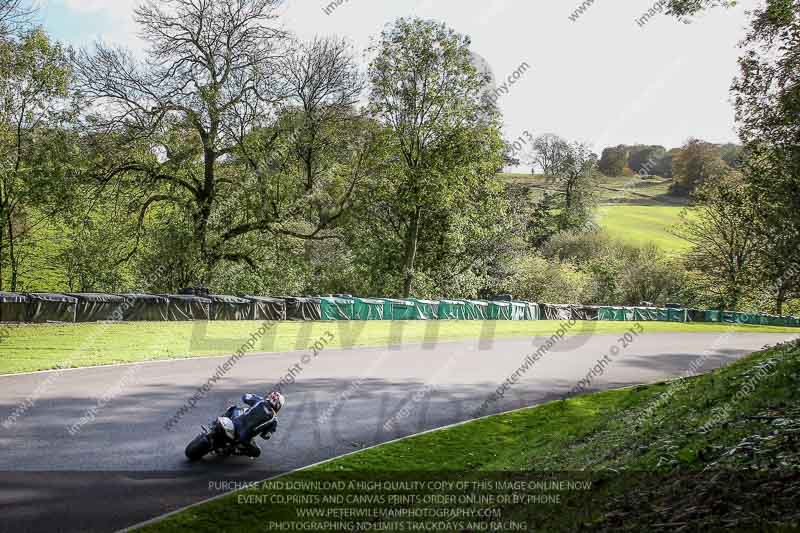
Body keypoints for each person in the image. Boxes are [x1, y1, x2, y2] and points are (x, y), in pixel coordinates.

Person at [223, 391, 284, 458]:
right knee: (257, 452)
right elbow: (265, 436)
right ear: (278, 406)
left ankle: (217, 422)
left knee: (233, 408)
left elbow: (245, 397)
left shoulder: (261, 401)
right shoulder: (274, 420)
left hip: (235, 423)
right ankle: (233, 449)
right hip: (244, 437)